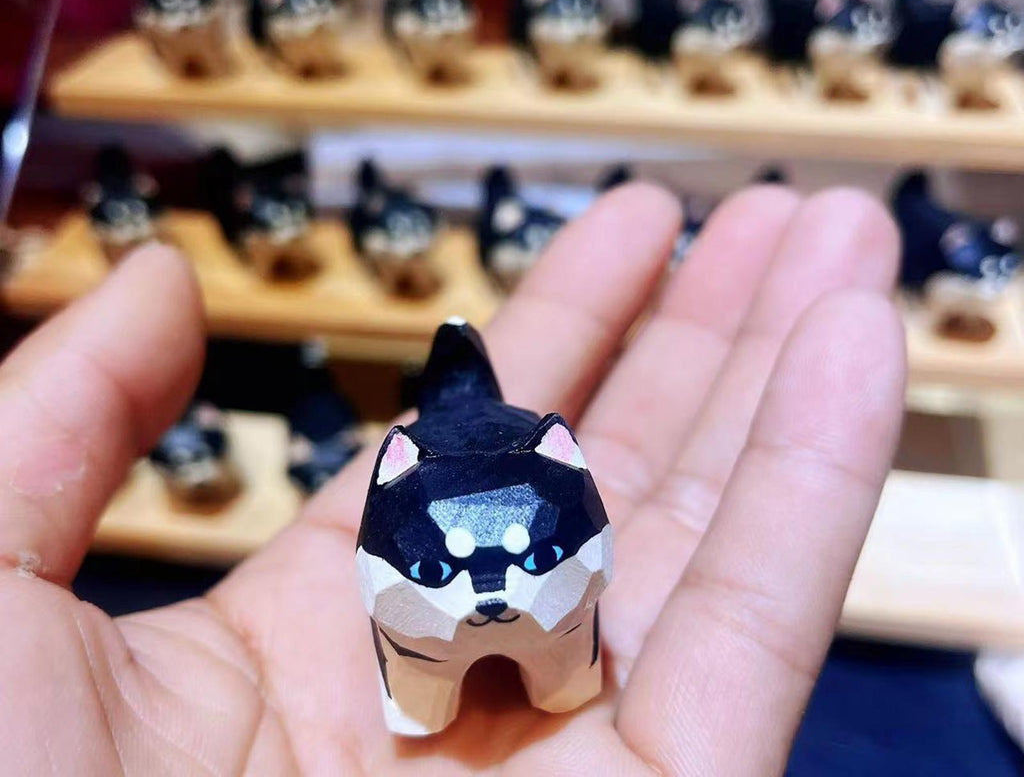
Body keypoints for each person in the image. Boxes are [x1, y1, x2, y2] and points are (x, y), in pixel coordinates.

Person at [0, 180, 904, 775]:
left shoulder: (551, 471)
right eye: (442, 572)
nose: (492, 596)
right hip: (424, 578)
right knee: (427, 681)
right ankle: (431, 689)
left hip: (530, 558)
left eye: (529, 563)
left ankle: (543, 670)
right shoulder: (404, 488)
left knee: (561, 662)